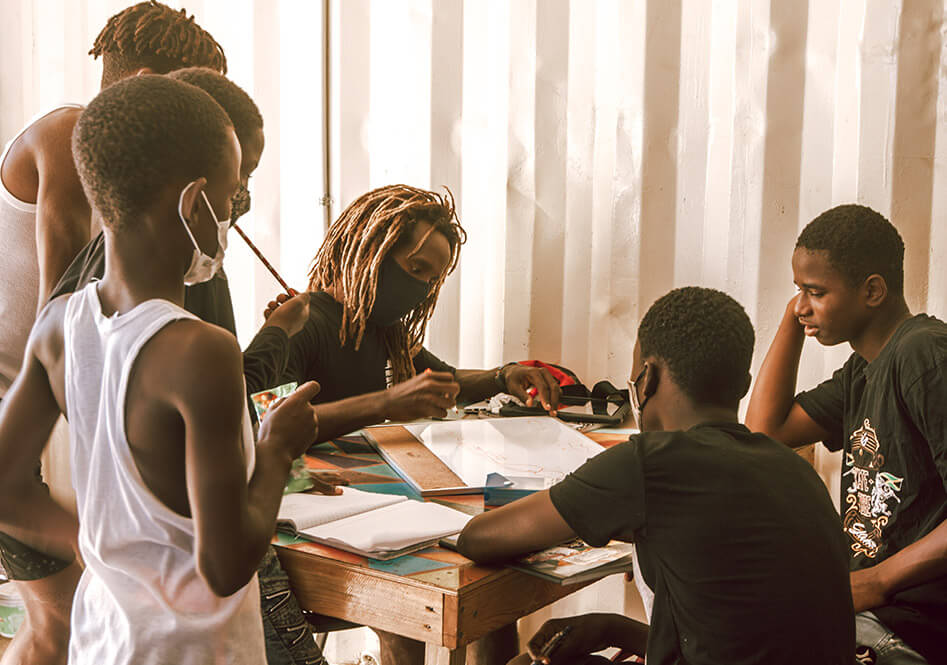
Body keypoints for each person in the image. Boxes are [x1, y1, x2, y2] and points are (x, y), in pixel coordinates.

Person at [0, 74, 322, 665]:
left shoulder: (59, 326)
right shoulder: (201, 351)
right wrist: (277, 449)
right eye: (230, 196)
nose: (230, 215)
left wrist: (105, 546)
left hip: (102, 641)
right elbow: (225, 566)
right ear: (194, 202)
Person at [458, 286, 855, 665]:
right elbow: (733, 639)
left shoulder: (649, 464)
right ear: (743, 385)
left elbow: (479, 539)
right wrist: (610, 627)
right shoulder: (794, 470)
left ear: (645, 378)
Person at [0, 4, 226, 664]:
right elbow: (62, 309)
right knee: (60, 623)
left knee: (80, 614)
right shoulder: (71, 134)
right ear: (149, 83)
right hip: (23, 410)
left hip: (41, 411)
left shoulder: (120, 172)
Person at [264, 184, 565, 664]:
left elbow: (440, 382)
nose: (422, 288)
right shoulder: (304, 322)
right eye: (416, 270)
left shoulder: (382, 331)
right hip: (308, 516)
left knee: (493, 576)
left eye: (433, 279)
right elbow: (268, 427)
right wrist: (384, 400)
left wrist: (504, 375)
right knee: (407, 611)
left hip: (364, 505)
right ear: (371, 250)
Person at [745, 205, 947, 665]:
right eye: (798, 291)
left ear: (872, 290)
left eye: (815, 292)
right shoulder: (861, 371)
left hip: (913, 625)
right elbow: (766, 431)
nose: (802, 304)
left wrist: (876, 581)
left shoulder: (925, 355)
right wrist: (793, 318)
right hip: (868, 611)